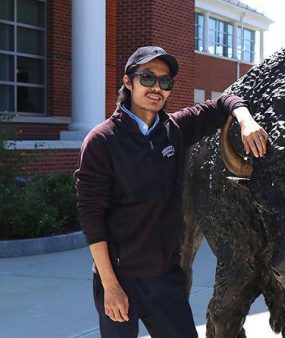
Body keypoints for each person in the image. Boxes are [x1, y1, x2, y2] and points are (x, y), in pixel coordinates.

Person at [75, 46, 268, 338]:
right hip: (119, 278)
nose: (157, 88)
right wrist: (110, 287)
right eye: (147, 78)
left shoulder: (174, 130)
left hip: (166, 279)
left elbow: (222, 103)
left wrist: (245, 119)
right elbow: (91, 218)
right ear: (128, 82)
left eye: (165, 82)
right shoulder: (102, 141)